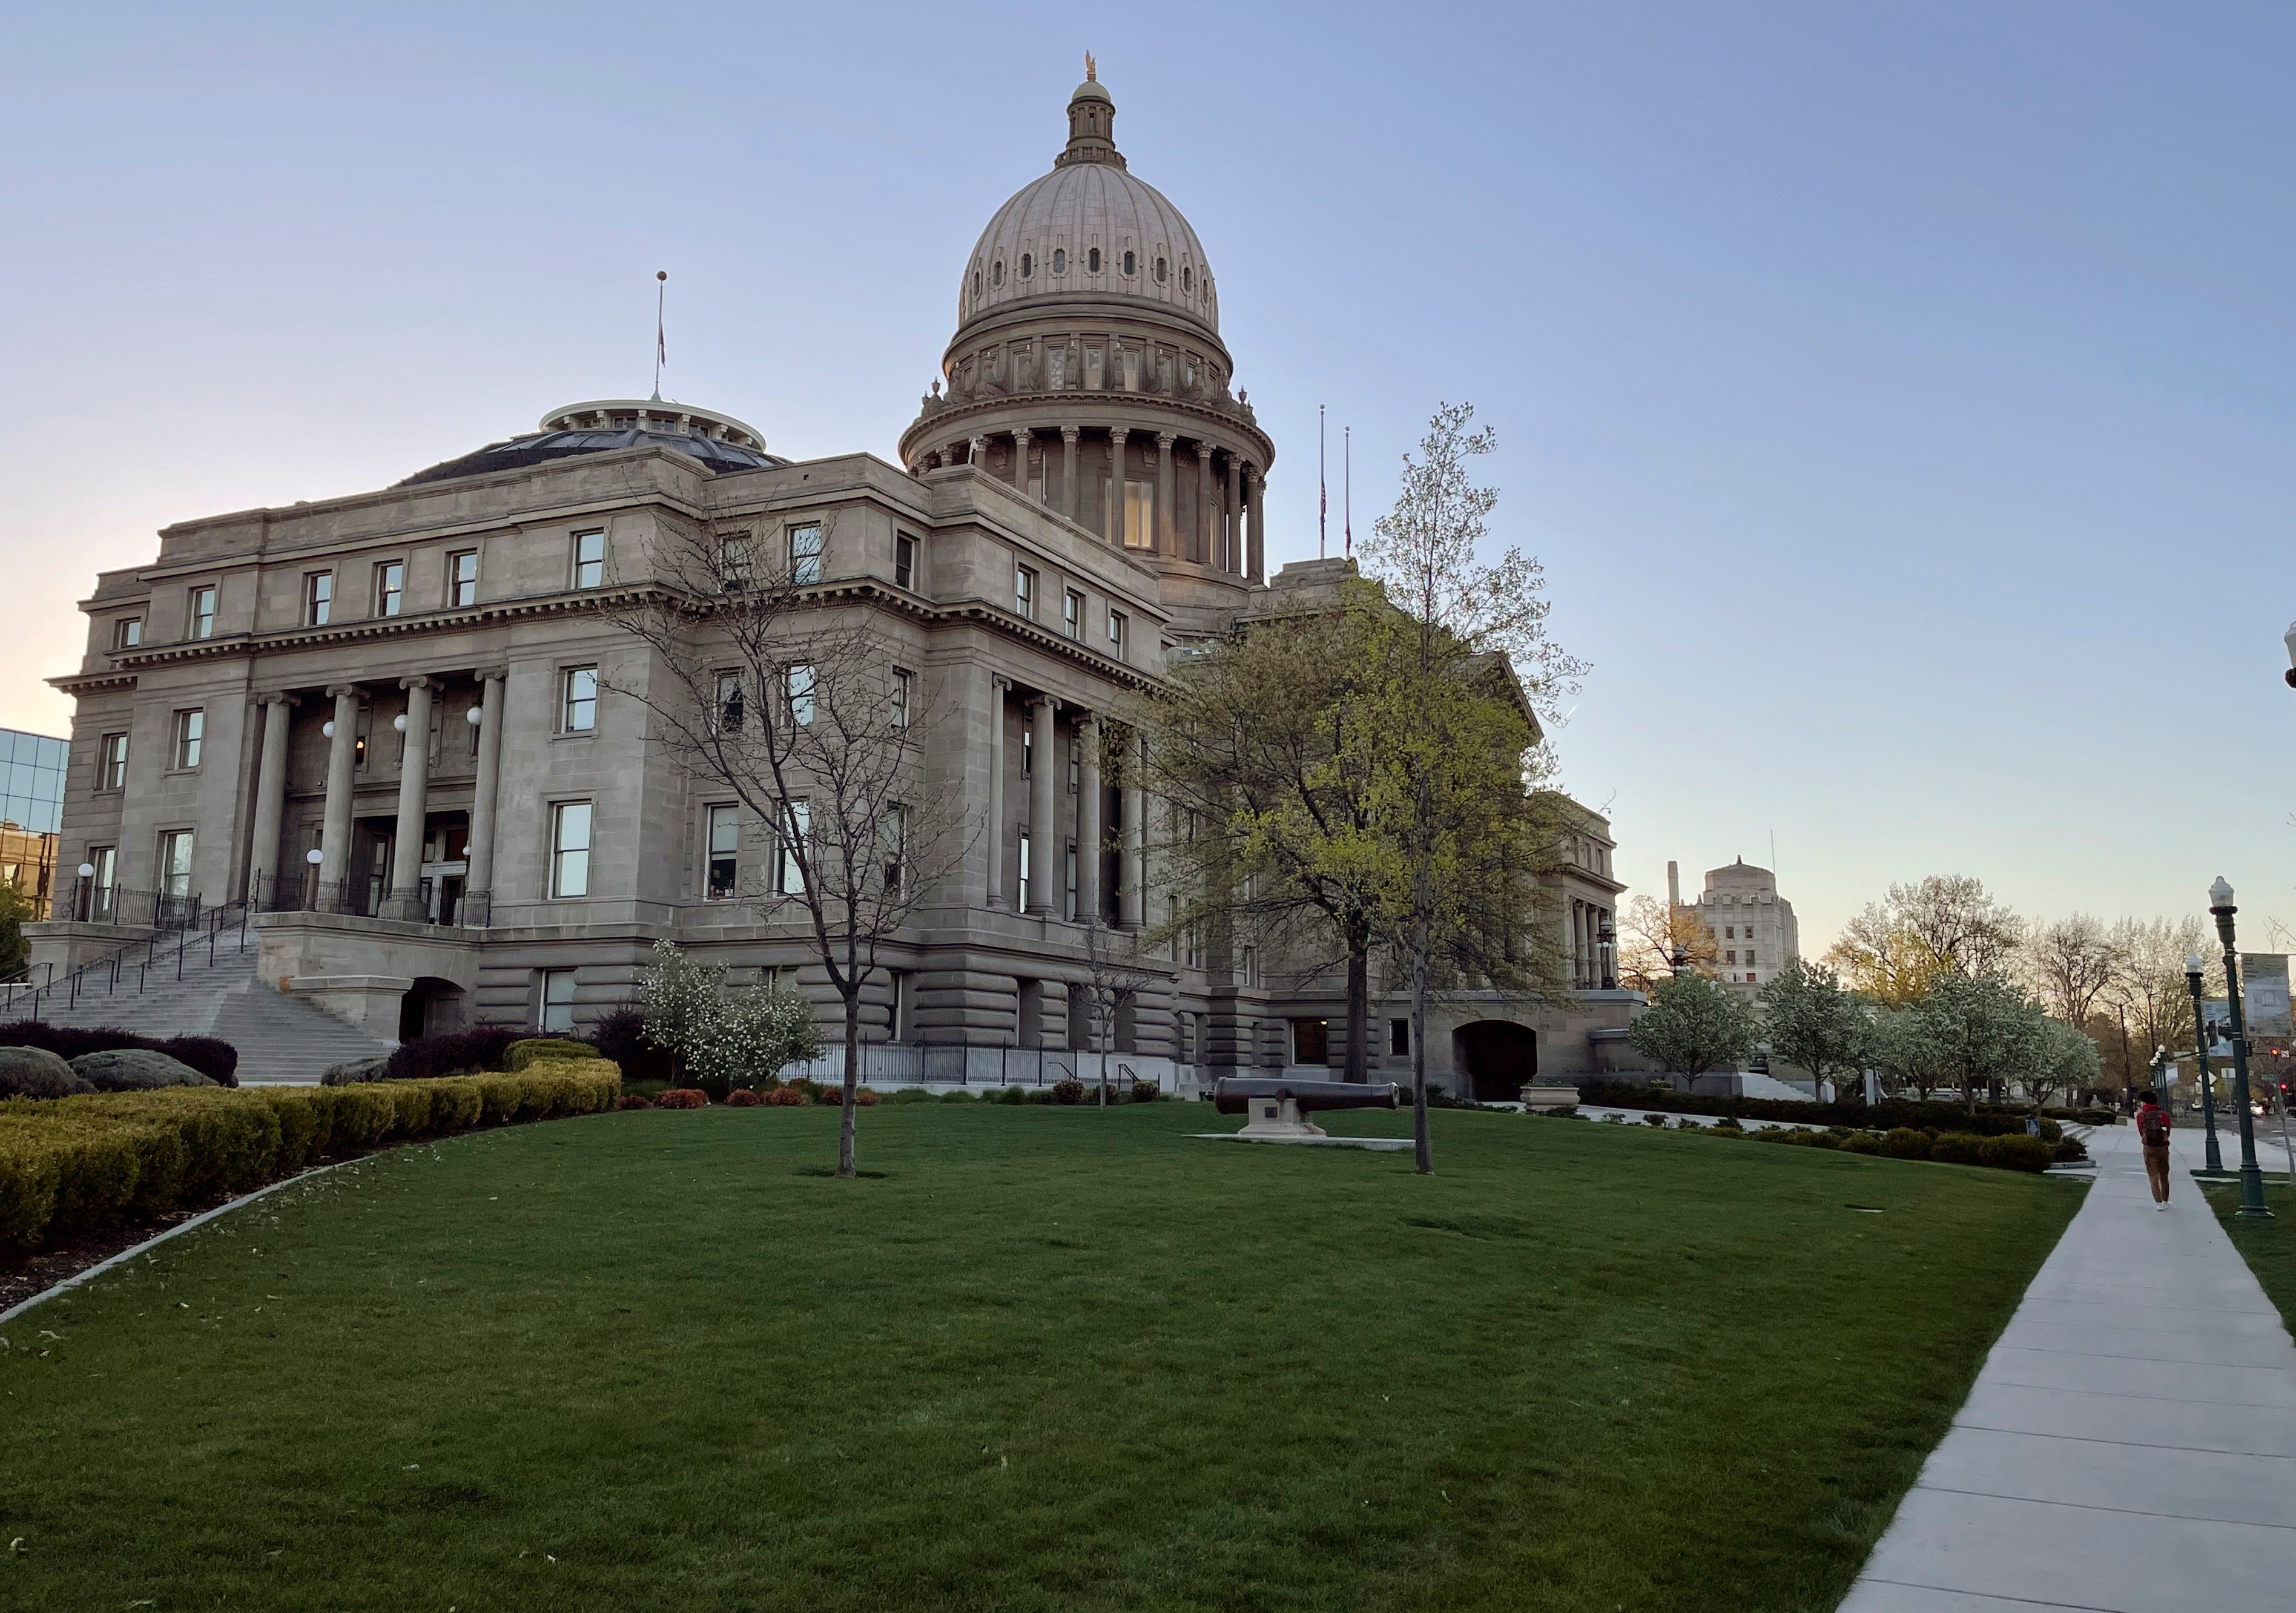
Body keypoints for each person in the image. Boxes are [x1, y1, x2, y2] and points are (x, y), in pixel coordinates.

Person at [2136, 1089, 2173, 1210]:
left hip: (2149, 1147)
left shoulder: (2141, 1116)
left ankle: (2158, 1202)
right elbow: (2168, 1130)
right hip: (2163, 1147)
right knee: (2164, 1174)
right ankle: (2166, 1201)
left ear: (2144, 1102)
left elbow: (2141, 1132)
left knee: (2153, 1175)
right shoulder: (2163, 1115)